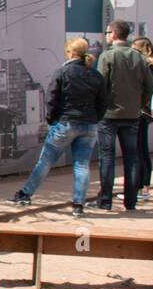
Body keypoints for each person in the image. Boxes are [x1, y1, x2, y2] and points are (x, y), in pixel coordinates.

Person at [10, 38, 106, 217]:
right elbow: (102, 103)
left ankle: (25, 194)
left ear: (69, 52)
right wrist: (95, 119)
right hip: (89, 125)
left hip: (66, 123)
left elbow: (51, 99)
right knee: (82, 165)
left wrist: (52, 120)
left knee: (46, 161)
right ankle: (78, 205)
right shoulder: (95, 75)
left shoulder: (62, 72)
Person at [89, 20, 153, 212]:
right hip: (132, 115)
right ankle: (130, 201)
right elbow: (150, 86)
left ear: (114, 34)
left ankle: (106, 200)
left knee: (107, 158)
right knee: (131, 158)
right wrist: (139, 104)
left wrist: (100, 108)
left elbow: (100, 85)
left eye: (108, 32)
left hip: (109, 115)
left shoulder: (107, 56)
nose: (107, 35)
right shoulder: (139, 58)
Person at [131, 37, 153, 202]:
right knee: (143, 150)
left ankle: (138, 188)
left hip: (140, 110)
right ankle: (145, 188)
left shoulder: (145, 65)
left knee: (138, 150)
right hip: (148, 111)